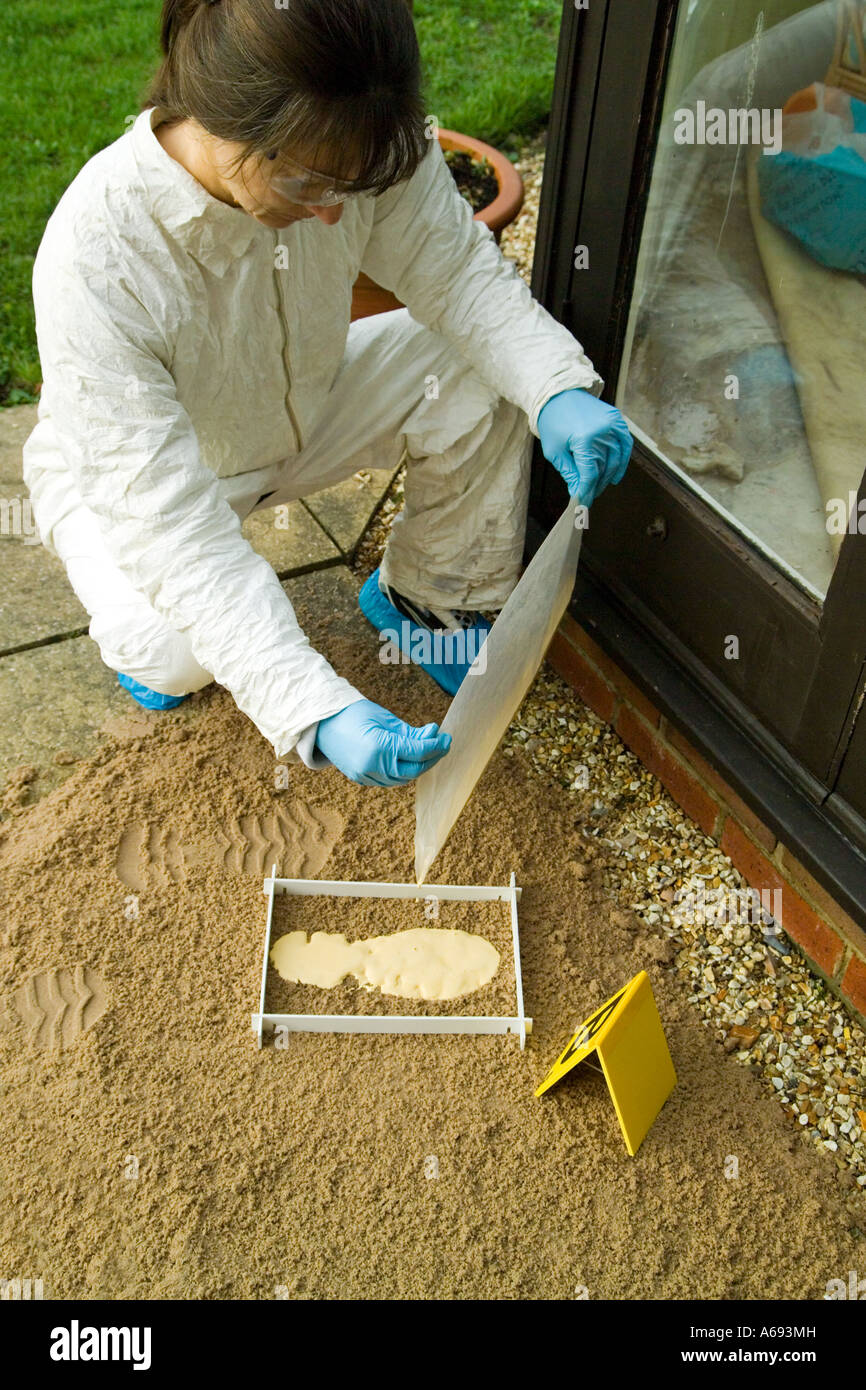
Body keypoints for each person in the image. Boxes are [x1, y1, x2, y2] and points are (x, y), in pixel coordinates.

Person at [23, 0, 632, 789]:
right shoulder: (99, 259)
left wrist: (556, 390)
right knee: (177, 657)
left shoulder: (354, 134)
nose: (335, 211)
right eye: (308, 182)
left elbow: (453, 272)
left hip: (301, 406)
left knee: (482, 372)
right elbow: (170, 526)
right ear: (223, 120)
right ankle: (122, 601)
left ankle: (429, 599)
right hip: (143, 483)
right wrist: (315, 707)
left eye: (354, 182)